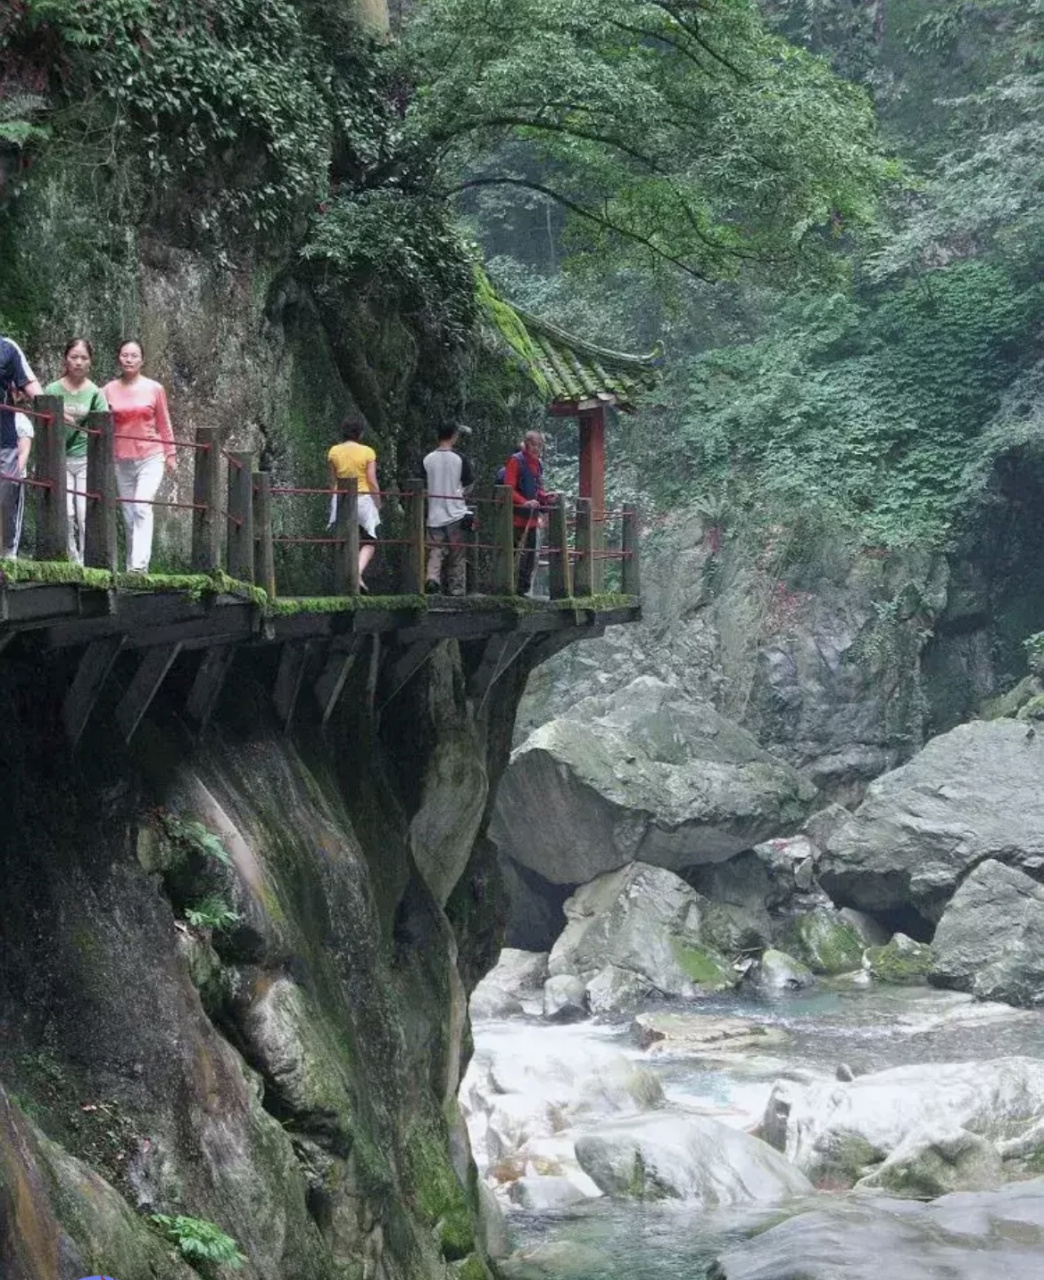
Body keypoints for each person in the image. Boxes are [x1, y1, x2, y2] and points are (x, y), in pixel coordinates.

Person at [103, 339, 175, 573]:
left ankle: (138, 567)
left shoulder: (154, 389)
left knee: (142, 506)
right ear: (119, 358)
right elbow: (101, 423)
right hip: (121, 458)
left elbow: (164, 423)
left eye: (134, 355)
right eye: (125, 355)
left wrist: (171, 453)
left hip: (151, 456)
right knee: (128, 513)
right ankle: (131, 565)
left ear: (142, 360)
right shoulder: (107, 390)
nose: (129, 359)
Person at [44, 338, 108, 564]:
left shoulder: (95, 392)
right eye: (74, 357)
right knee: (66, 510)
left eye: (84, 358)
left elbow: (102, 425)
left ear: (90, 362)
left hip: (84, 459)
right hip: (59, 459)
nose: (78, 362)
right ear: (65, 359)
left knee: (83, 511)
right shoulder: (52, 389)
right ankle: (70, 559)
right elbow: (43, 424)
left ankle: (85, 559)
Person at [327, 413, 380, 591]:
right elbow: (371, 480)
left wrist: (333, 502)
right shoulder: (368, 452)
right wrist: (378, 501)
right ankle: (356, 574)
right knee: (369, 541)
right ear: (361, 433)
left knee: (344, 539)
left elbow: (333, 481)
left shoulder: (334, 451)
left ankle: (343, 580)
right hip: (363, 499)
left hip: (341, 498)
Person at [0, 335, 42, 559]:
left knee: (7, 492)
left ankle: (7, 552)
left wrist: (53, 409)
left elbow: (29, 383)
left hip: (3, 438)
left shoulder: (7, 348)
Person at [422, 422, 474, 596]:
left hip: (434, 513)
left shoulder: (427, 459)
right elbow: (469, 484)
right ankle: (456, 589)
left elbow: (421, 486)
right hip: (456, 513)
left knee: (435, 549)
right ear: (454, 436)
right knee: (457, 552)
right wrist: (460, 494)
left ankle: (432, 577)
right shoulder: (460, 459)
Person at [502, 430, 554, 596]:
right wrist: (524, 502)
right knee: (515, 553)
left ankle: (522, 591)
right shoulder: (516, 461)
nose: (536, 448)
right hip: (515, 517)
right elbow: (508, 488)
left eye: (539, 446)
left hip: (531, 518)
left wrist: (545, 497)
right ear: (526, 444)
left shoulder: (538, 464)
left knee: (530, 557)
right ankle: (509, 589)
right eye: (533, 444)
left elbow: (537, 489)